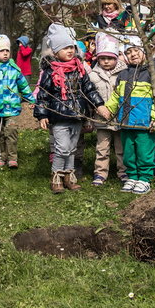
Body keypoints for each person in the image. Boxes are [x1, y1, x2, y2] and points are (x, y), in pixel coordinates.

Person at [35, 23, 108, 193]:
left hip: (76, 116)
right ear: (55, 52)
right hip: (59, 117)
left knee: (72, 149)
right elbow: (43, 95)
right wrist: (42, 115)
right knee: (62, 148)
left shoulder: (79, 69)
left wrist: (99, 104)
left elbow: (89, 88)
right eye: (65, 48)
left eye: (72, 47)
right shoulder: (50, 71)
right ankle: (56, 178)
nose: (70, 51)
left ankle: (69, 176)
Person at [103, 35, 155, 195]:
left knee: (144, 152)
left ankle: (144, 178)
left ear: (146, 51)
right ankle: (132, 176)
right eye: (129, 52)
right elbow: (116, 96)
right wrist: (108, 108)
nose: (133, 54)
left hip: (144, 123)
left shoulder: (154, 74)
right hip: (126, 121)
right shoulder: (123, 74)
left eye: (136, 50)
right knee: (129, 152)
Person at [88, 32, 127, 186]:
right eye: (103, 58)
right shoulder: (93, 75)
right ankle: (100, 173)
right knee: (102, 148)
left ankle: (123, 171)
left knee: (121, 148)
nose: (106, 61)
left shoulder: (124, 73)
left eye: (110, 58)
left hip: (119, 118)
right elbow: (90, 96)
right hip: (101, 119)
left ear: (116, 58)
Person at [0, 34, 35, 169]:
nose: (5, 53)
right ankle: (1, 156)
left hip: (12, 108)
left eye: (7, 51)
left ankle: (12, 157)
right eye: (1, 51)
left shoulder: (14, 69)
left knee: (11, 132)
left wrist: (31, 98)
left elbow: (23, 85)